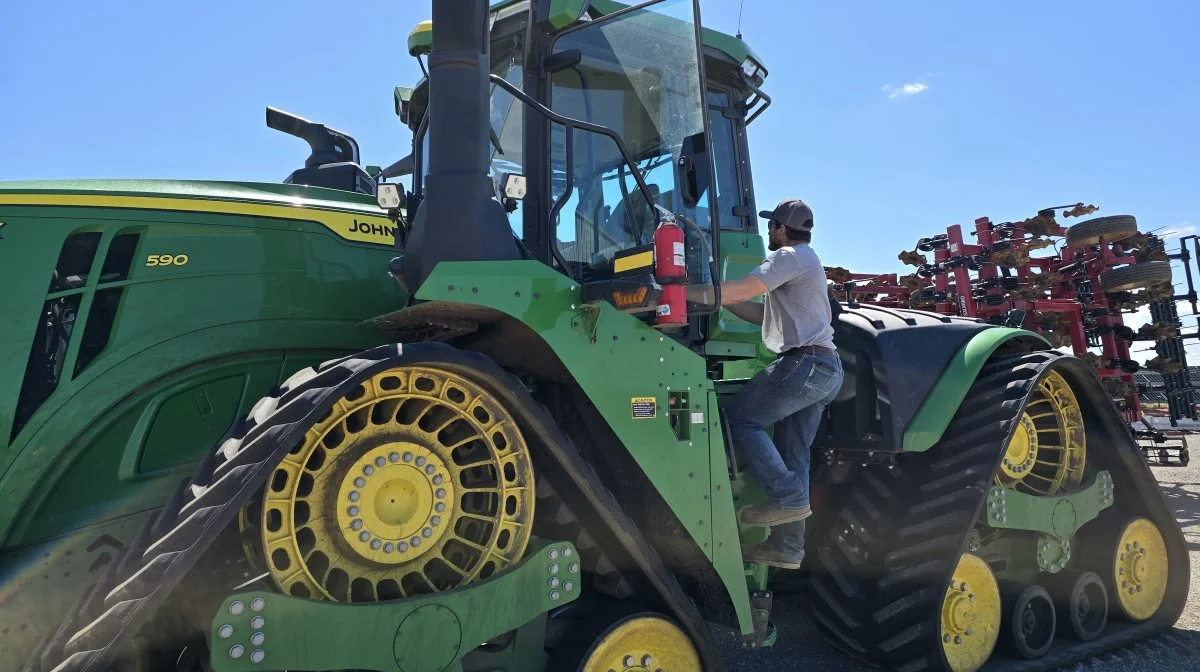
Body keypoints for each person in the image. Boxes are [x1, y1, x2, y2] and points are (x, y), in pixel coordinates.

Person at [688, 198, 844, 569]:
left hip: (805, 364)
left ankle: (786, 497)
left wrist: (688, 293)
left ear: (779, 227)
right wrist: (720, 302)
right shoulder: (808, 262)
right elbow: (760, 312)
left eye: (770, 227)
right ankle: (788, 548)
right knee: (795, 455)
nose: (768, 233)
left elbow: (745, 289)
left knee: (741, 419)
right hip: (825, 369)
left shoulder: (788, 255)